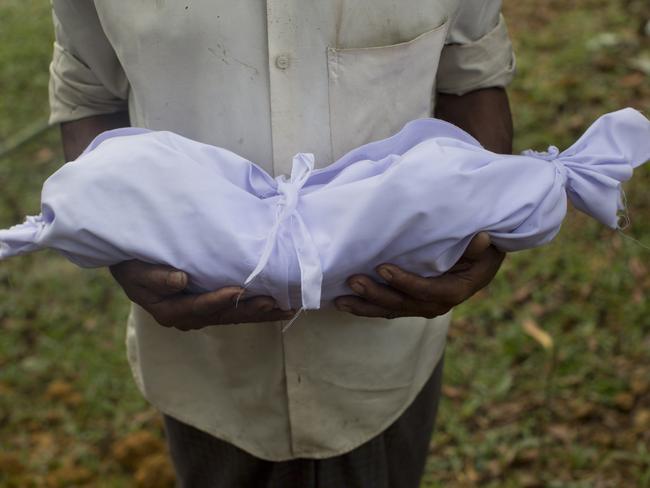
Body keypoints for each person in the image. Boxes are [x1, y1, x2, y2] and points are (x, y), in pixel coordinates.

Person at [49, 1, 515, 486]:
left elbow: (472, 76)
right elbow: (89, 96)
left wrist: (488, 226)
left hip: (383, 363)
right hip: (207, 374)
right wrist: (119, 241)